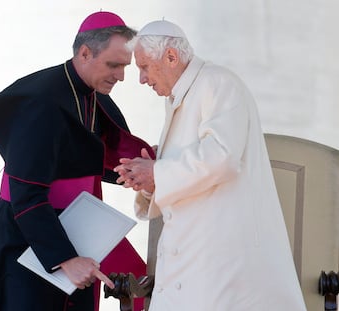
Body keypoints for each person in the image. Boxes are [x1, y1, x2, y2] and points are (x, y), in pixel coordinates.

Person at [0, 11, 155, 311]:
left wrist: (134, 171)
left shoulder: (90, 92)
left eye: (124, 66)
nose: (121, 76)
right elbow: (26, 194)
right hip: (27, 236)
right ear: (85, 53)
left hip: (72, 224)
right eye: (113, 65)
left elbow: (78, 157)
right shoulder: (42, 103)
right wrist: (64, 260)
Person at [114, 20, 307, 310]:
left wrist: (157, 173)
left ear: (170, 57)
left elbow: (222, 157)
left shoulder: (218, 83)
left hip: (219, 256)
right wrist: (149, 177)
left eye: (144, 67)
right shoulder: (185, 94)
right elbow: (191, 169)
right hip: (191, 254)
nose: (141, 79)